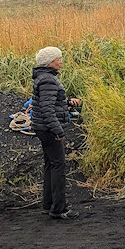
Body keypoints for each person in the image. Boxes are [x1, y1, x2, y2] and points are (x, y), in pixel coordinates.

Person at [32, 46, 81, 219]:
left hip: (43, 128)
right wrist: (58, 130)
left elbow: (49, 103)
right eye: (58, 59)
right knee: (58, 166)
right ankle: (59, 209)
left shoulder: (43, 77)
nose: (61, 61)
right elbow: (47, 109)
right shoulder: (48, 80)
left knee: (50, 165)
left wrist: (67, 102)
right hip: (48, 129)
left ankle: (48, 205)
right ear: (50, 62)